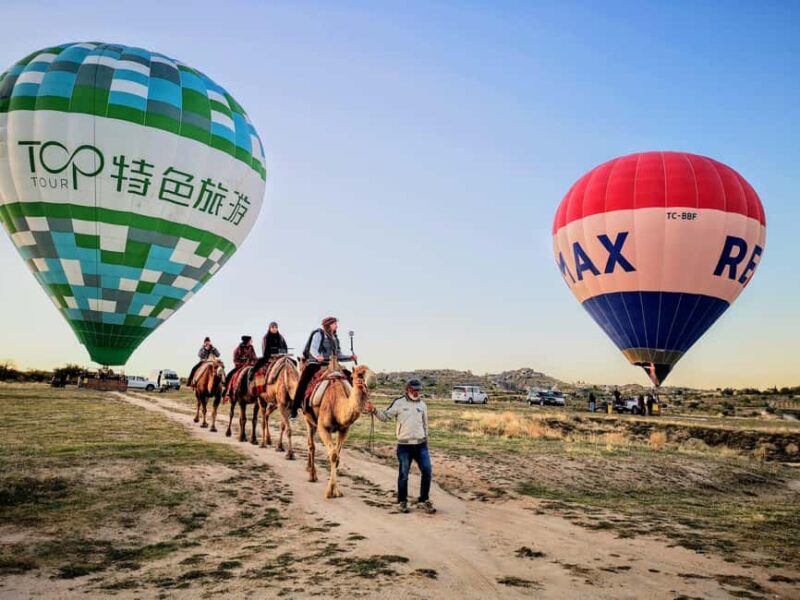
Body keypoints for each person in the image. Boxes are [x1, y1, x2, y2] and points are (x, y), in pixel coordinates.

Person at [366, 379, 435, 514]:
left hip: (421, 445)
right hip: (404, 446)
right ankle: (402, 501)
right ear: (408, 389)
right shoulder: (399, 403)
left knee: (427, 472)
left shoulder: (423, 405)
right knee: (403, 475)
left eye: (419, 390)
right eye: (414, 390)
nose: (417, 392)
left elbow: (425, 424)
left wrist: (426, 440)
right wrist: (374, 410)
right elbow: (386, 416)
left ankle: (423, 500)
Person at [290, 316, 357, 419]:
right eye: (335, 324)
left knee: (352, 377)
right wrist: (317, 356)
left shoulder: (335, 338)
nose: (336, 326)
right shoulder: (319, 334)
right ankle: (294, 409)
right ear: (329, 325)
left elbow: (338, 355)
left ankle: (355, 403)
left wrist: (350, 357)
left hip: (332, 364)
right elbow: (313, 348)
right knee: (303, 382)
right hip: (317, 364)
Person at [224, 336, 257, 402]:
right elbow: (235, 359)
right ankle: (228, 393)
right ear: (247, 341)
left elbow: (254, 357)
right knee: (229, 376)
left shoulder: (251, 348)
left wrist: (254, 362)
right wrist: (242, 364)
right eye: (251, 340)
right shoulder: (238, 349)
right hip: (240, 366)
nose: (252, 341)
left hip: (251, 365)